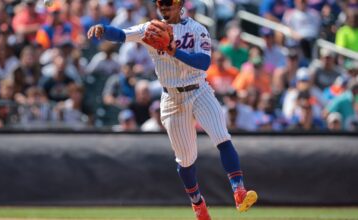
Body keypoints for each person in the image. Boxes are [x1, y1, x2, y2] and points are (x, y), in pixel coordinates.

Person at [87, 0, 257, 219]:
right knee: (185, 160)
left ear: (180, 5)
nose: (165, 8)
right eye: (161, 4)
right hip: (172, 98)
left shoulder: (197, 29)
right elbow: (121, 34)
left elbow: (204, 63)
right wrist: (103, 29)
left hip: (199, 90)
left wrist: (174, 51)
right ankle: (198, 204)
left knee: (222, 137)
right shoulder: (150, 28)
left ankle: (239, 191)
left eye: (169, 4)